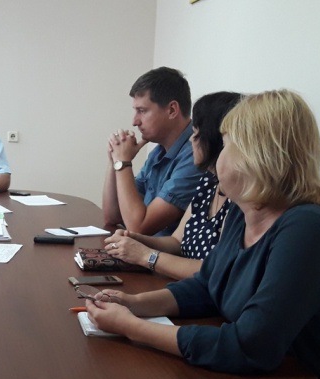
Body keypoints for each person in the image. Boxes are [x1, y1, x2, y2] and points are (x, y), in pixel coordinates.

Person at [86, 89, 320, 379]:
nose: (218, 155)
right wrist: (136, 304)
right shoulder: (245, 211)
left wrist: (133, 328)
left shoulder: (306, 229)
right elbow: (208, 284)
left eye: (228, 145)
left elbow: (250, 345)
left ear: (258, 156)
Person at [103, 91, 241, 279]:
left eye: (197, 133)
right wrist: (135, 240)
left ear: (217, 140)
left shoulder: (238, 196)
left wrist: (145, 255)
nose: (192, 139)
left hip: (195, 289)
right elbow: (177, 242)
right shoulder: (208, 182)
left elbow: (216, 272)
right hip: (180, 283)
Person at [102, 67, 201, 236]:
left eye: (142, 111)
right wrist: (114, 160)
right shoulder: (158, 152)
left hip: (162, 253)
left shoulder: (195, 154)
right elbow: (112, 215)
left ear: (172, 110)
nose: (135, 122)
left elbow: (138, 227)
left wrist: (123, 162)